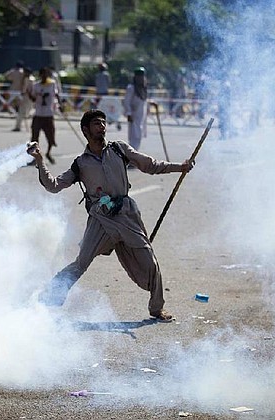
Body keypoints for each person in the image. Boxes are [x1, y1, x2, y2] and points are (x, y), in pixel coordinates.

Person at [28, 109, 195, 321]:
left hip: (126, 215)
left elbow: (149, 165)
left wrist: (179, 167)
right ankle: (49, 298)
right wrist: (40, 161)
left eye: (104, 123)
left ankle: (156, 308)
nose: (102, 127)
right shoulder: (80, 163)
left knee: (150, 262)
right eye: (97, 124)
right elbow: (53, 186)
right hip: (101, 219)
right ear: (85, 130)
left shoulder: (119, 149)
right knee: (81, 262)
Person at [28, 67, 61, 164]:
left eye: (46, 75)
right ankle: (35, 157)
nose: (44, 77)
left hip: (48, 114)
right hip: (38, 114)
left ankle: (48, 153)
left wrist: (60, 104)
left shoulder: (52, 84)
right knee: (34, 137)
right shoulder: (36, 85)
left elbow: (56, 95)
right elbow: (33, 99)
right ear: (40, 75)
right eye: (42, 75)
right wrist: (29, 94)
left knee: (50, 136)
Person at [123, 67, 148, 150]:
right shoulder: (131, 88)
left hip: (141, 116)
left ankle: (134, 156)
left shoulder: (143, 88)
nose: (141, 79)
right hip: (133, 116)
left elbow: (143, 101)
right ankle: (132, 157)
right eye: (139, 77)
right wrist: (129, 113)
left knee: (139, 136)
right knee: (134, 137)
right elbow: (127, 102)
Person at [12, 67, 34, 132]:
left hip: (26, 97)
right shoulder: (33, 78)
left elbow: (25, 89)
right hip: (31, 98)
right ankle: (28, 127)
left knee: (21, 112)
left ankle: (18, 127)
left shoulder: (27, 79)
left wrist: (22, 93)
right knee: (27, 113)